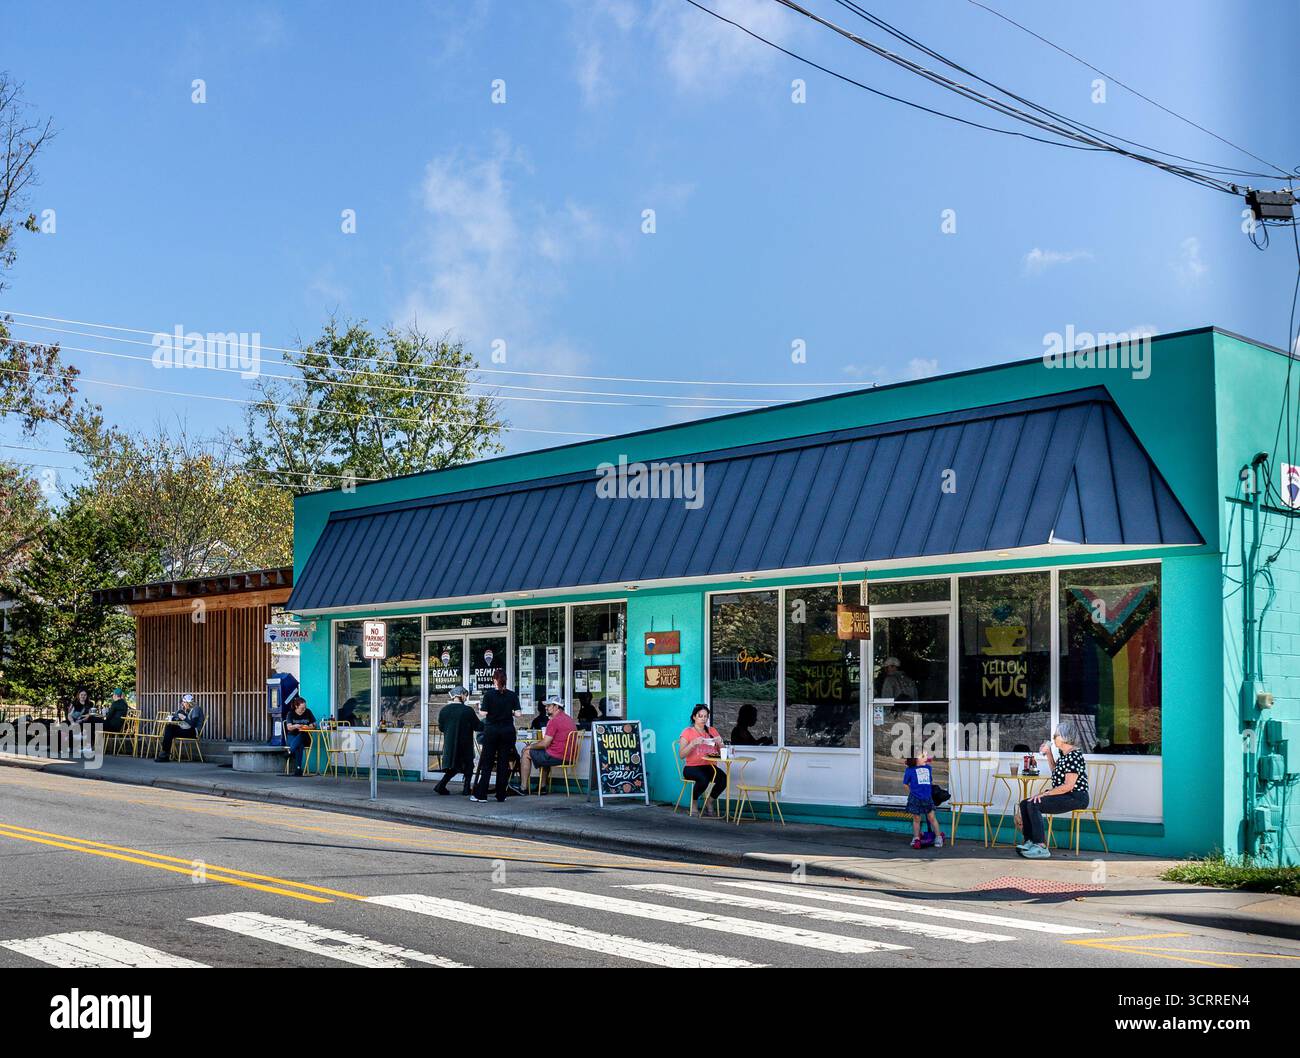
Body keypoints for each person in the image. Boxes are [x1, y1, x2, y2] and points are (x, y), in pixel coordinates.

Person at [1016, 721, 1090, 859]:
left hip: (1076, 797)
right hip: (1066, 794)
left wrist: (1045, 794)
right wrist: (1049, 753)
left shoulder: (1074, 756)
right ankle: (1030, 841)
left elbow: (1068, 786)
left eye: (1056, 735)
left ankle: (1040, 847)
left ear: (1064, 737)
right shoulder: (1065, 755)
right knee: (1025, 803)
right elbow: (1056, 772)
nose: (1053, 737)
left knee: (1034, 803)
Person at [471, 669, 521, 803]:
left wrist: (478, 708)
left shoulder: (489, 695)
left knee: (487, 763)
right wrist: (508, 712)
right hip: (507, 732)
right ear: (505, 680)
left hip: (492, 731)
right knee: (503, 763)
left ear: (494, 680)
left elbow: (483, 713)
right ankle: (501, 795)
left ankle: (481, 794)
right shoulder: (512, 695)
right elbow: (518, 714)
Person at [519, 697, 577, 795]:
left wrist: (529, 747)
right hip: (569, 756)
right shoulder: (569, 719)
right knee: (544, 753)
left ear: (556, 707)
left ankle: (523, 788)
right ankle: (542, 787)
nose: (546, 708)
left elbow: (545, 743)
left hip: (557, 756)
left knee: (526, 753)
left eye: (549, 706)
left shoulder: (554, 721)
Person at [679, 705, 727, 817]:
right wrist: (692, 744)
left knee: (724, 779)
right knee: (703, 779)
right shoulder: (688, 732)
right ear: (694, 717)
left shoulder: (712, 731)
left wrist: (720, 743)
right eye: (700, 716)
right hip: (692, 767)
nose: (703, 719)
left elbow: (723, 752)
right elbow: (681, 755)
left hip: (709, 766)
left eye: (706, 716)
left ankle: (709, 802)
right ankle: (694, 803)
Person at [434, 686, 482, 795]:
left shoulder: (444, 710)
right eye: (465, 695)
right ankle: (466, 788)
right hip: (465, 743)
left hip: (450, 744)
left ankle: (441, 785)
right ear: (461, 695)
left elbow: (441, 728)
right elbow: (477, 726)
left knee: (453, 767)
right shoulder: (467, 710)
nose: (466, 698)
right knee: (469, 765)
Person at [902, 752, 944, 849]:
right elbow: (905, 784)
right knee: (916, 819)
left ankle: (938, 837)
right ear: (915, 759)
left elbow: (930, 781)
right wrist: (912, 793)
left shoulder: (928, 768)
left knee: (932, 817)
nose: (926, 758)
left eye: (926, 756)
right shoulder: (909, 770)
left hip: (927, 798)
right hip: (915, 798)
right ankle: (916, 837)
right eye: (923, 756)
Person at [154, 693, 205, 762]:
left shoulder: (196, 709)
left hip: (194, 732)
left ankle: (164, 754)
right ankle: (165, 753)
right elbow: (187, 722)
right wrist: (175, 718)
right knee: (170, 727)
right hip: (189, 730)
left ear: (188, 703)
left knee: (170, 730)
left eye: (184, 702)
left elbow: (193, 724)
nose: (183, 704)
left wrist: (184, 718)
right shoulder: (190, 710)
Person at [283, 697, 317, 776]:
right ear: (296, 706)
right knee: (299, 745)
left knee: (303, 733)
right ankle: (298, 769)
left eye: (305, 707)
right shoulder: (290, 713)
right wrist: (296, 726)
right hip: (292, 736)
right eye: (302, 708)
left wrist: (311, 726)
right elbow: (289, 727)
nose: (304, 709)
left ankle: (290, 752)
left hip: (306, 737)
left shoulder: (308, 712)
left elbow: (315, 724)